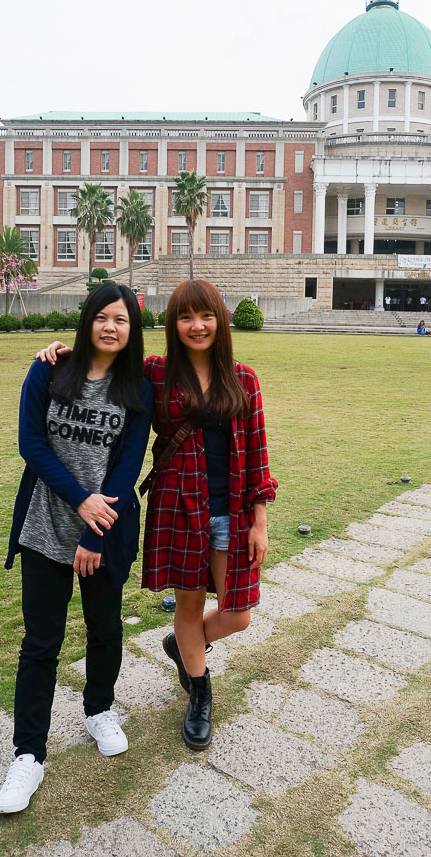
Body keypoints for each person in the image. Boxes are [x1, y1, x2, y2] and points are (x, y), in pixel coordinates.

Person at [37, 279, 277, 752]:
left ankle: (182, 647)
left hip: (230, 511)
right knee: (187, 607)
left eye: (205, 316)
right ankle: (199, 689)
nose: (196, 325)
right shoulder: (156, 373)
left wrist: (259, 519)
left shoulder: (244, 379)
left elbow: (257, 453)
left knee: (239, 613)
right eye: (185, 317)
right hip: (179, 508)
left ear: (220, 321)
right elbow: (110, 365)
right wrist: (63, 352)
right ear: (173, 324)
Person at [0, 284, 152, 814]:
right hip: (45, 528)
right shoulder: (49, 370)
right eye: (102, 317)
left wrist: (94, 529)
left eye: (121, 320)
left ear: (132, 329)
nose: (111, 327)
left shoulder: (137, 386)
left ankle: (99, 709)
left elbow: (129, 464)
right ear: (85, 322)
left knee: (105, 629)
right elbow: (30, 444)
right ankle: (28, 755)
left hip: (103, 533)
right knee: (41, 643)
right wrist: (79, 502)